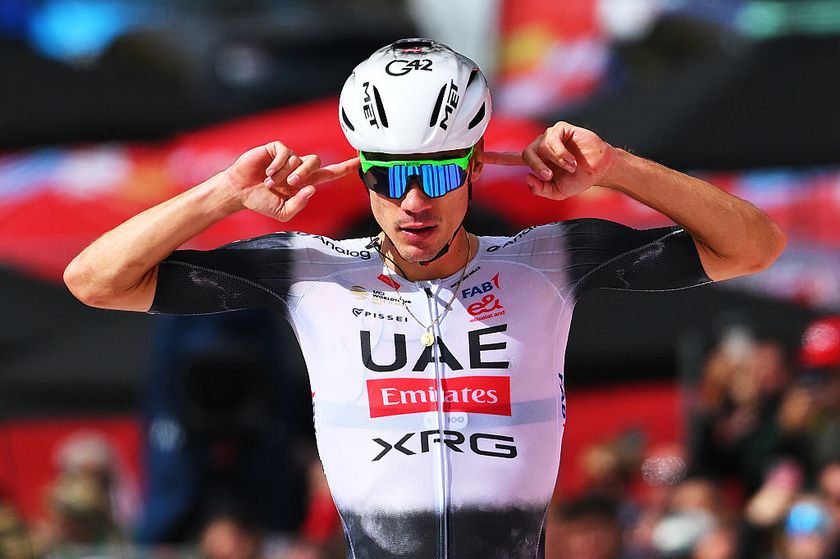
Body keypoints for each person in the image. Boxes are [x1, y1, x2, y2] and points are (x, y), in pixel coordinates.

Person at [64, 38, 785, 557]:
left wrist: (619, 168)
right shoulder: (309, 269)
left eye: (437, 177)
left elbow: (753, 245)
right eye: (386, 178)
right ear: (361, 175)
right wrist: (223, 194)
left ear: (472, 167)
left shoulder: (549, 258)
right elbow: (95, 281)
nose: (413, 203)